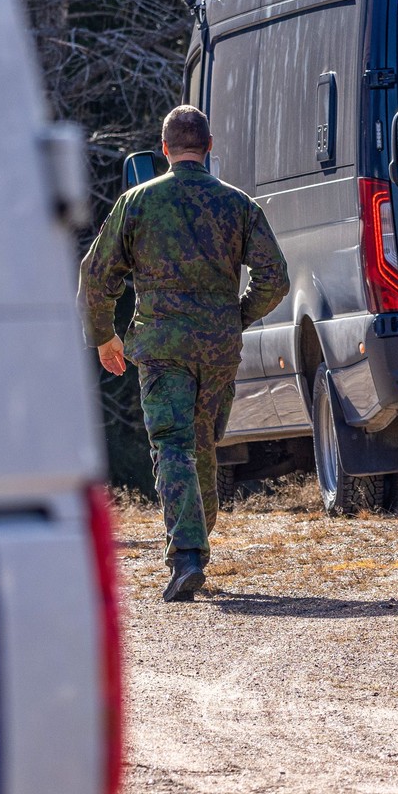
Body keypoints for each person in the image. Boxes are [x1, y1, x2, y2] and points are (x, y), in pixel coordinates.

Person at [80, 105, 288, 602]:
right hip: (218, 348)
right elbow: (274, 277)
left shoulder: (136, 202)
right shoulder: (238, 205)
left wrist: (103, 336)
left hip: (161, 346)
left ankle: (188, 555)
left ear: (165, 147)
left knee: (172, 444)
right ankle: (196, 542)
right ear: (209, 148)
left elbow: (96, 275)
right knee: (198, 444)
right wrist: (235, 316)